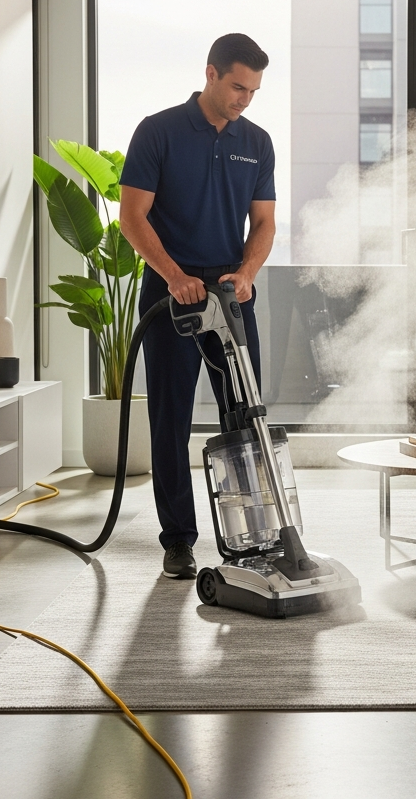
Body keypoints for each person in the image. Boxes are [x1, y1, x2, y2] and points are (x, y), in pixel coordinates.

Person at [119, 33, 277, 579]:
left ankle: (257, 537)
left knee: (246, 417)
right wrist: (174, 276)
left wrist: (248, 274)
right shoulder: (158, 131)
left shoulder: (256, 141)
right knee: (171, 420)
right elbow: (132, 218)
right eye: (238, 87)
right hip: (172, 295)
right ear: (211, 74)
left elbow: (264, 222)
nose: (245, 100)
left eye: (254, 90)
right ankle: (179, 541)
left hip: (232, 293)